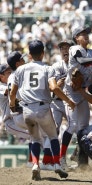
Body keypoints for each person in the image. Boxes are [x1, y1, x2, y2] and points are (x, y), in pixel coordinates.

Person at [9, 39, 75, 181]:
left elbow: (13, 92)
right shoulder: (47, 68)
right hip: (43, 108)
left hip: (26, 110)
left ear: (30, 55)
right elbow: (54, 87)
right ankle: (57, 164)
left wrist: (11, 103)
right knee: (52, 136)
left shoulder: (20, 70)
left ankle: (35, 165)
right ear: (43, 53)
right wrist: (68, 100)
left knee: (34, 139)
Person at [60, 26, 92, 170]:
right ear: (76, 38)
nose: (86, 36)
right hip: (71, 93)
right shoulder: (74, 49)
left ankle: (82, 162)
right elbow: (82, 61)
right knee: (72, 125)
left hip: (83, 94)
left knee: (83, 130)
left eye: (86, 33)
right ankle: (61, 159)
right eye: (82, 34)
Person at [50, 39, 74, 171]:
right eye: (62, 48)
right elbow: (56, 86)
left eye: (67, 47)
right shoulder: (56, 66)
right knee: (54, 129)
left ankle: (75, 157)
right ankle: (53, 160)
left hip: (71, 101)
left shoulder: (76, 64)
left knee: (78, 128)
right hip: (57, 102)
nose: (65, 50)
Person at [0, 63, 30, 140]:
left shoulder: (11, 82)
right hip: (10, 122)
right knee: (34, 135)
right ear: (1, 76)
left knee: (35, 137)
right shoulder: (1, 86)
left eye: (11, 72)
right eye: (8, 73)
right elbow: (8, 90)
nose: (11, 74)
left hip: (19, 117)